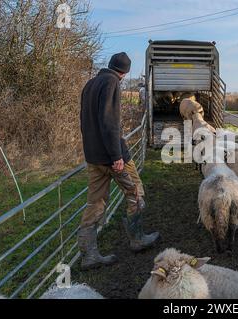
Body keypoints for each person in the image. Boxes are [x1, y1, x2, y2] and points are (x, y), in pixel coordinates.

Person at [78, 52, 159, 270]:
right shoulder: (112, 83)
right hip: (112, 156)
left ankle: (89, 254)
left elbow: (85, 122)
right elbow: (109, 123)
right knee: (135, 192)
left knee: (95, 202)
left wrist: (93, 151)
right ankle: (137, 239)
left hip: (93, 157)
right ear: (125, 72)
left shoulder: (91, 84)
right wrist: (117, 156)